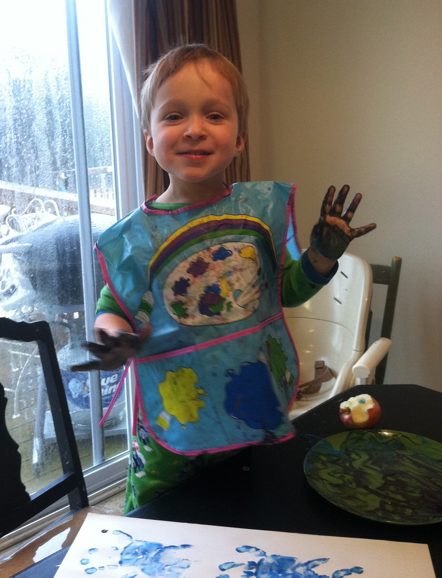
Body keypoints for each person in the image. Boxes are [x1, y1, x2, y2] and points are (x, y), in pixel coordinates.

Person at [72, 44, 376, 512]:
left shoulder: (256, 215)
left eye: (214, 115)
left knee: (244, 508)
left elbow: (284, 291)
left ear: (239, 139)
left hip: (248, 408)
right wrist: (114, 336)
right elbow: (113, 305)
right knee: (161, 518)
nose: (194, 129)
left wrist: (319, 257)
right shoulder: (137, 237)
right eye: (174, 116)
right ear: (150, 140)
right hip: (176, 415)